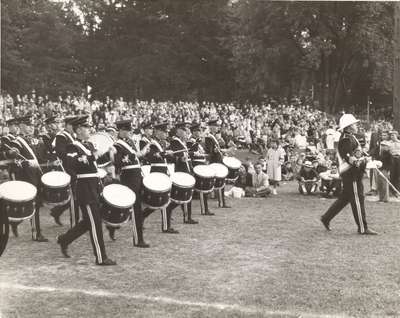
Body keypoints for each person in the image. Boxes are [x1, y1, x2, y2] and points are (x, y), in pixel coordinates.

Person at [57, 115, 116, 265]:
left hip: (95, 186)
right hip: (85, 189)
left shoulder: (88, 145)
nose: (89, 130)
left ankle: (64, 239)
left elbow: (98, 162)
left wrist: (109, 153)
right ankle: (101, 258)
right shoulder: (73, 146)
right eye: (86, 127)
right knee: (95, 224)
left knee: (88, 222)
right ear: (79, 130)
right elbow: (72, 163)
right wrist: (92, 157)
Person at [320, 114, 378, 235]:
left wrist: (368, 159)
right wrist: (365, 162)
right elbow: (351, 160)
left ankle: (326, 218)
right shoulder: (346, 139)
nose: (357, 125)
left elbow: (358, 154)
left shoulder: (351, 137)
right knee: (358, 198)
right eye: (354, 124)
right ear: (349, 127)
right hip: (351, 174)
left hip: (353, 173)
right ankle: (362, 228)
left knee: (344, 199)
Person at [107, 119, 149, 247]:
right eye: (125, 130)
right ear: (119, 131)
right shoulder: (117, 145)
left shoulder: (129, 142)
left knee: (131, 207)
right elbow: (118, 162)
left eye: (129, 130)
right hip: (128, 177)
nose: (128, 132)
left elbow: (136, 158)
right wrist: (137, 154)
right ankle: (138, 240)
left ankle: (113, 226)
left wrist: (141, 155)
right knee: (133, 208)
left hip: (137, 175)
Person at [11, 115, 49, 241]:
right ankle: (36, 233)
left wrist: (51, 162)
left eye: (32, 125)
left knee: (34, 205)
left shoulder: (36, 141)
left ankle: (14, 222)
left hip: (37, 176)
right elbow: (15, 163)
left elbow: (41, 160)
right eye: (28, 125)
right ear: (21, 126)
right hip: (26, 178)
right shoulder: (16, 142)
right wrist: (27, 164)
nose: (31, 128)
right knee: (32, 204)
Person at [166, 121, 198, 225]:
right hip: (181, 171)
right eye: (184, 130)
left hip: (186, 170)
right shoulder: (175, 142)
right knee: (179, 196)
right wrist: (180, 158)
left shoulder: (181, 142)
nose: (186, 132)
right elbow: (173, 156)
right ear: (178, 131)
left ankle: (187, 217)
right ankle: (169, 210)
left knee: (188, 195)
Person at [388, 130, 400, 195]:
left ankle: (397, 190)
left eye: (393, 135)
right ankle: (392, 190)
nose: (391, 136)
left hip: (399, 159)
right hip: (392, 159)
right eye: (391, 135)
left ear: (397, 135)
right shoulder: (388, 143)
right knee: (392, 174)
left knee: (398, 175)